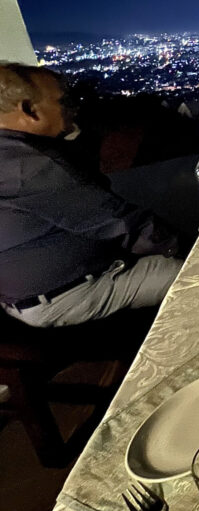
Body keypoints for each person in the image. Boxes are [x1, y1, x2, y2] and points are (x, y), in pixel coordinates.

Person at [0, 63, 183, 327]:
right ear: (30, 110)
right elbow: (121, 223)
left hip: (32, 294)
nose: (71, 108)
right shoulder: (28, 167)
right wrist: (190, 251)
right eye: (62, 101)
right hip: (67, 293)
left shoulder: (14, 154)